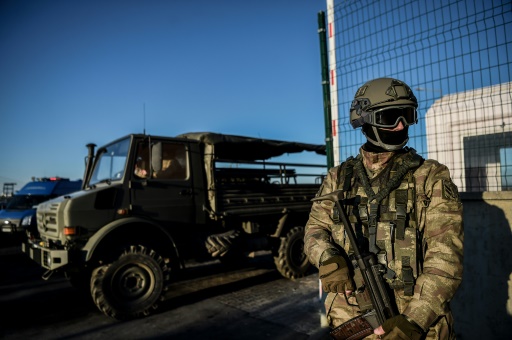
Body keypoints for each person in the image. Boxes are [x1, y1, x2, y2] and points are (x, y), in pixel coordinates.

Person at [304, 77, 463, 339]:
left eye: (407, 115)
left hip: (415, 324)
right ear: (364, 119)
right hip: (351, 315)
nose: (401, 125)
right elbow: (314, 229)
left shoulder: (430, 177)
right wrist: (328, 257)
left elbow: (446, 258)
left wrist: (413, 320)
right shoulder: (338, 177)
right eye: (391, 116)